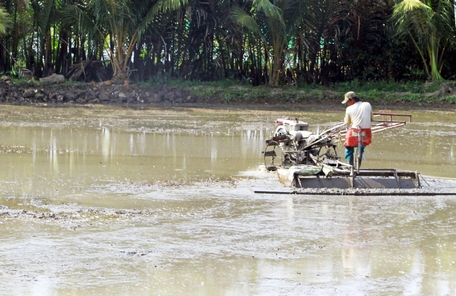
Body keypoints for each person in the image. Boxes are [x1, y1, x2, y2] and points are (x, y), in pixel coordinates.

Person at [341, 91, 373, 167]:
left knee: (348, 147)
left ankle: (350, 166)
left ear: (352, 99)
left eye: (347, 102)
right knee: (360, 148)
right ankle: (358, 165)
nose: (347, 104)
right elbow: (371, 118)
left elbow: (347, 123)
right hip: (366, 133)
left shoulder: (349, 109)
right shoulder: (368, 104)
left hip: (354, 133)